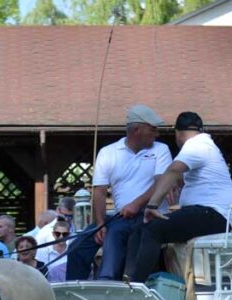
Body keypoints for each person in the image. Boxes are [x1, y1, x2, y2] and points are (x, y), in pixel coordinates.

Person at [66, 104, 173, 281]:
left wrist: (136, 204)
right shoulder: (108, 153)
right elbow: (99, 192)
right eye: (153, 129)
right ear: (137, 129)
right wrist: (100, 224)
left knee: (115, 235)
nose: (157, 134)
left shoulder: (161, 150)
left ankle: (106, 281)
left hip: (148, 216)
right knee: (78, 246)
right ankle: (72, 294)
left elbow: (161, 183)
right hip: (119, 216)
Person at [125, 112, 232, 283]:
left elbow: (173, 170)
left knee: (154, 228)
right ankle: (133, 279)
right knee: (140, 228)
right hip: (207, 213)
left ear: (178, 132)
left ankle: (137, 285)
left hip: (213, 214)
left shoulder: (197, 145)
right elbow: (181, 178)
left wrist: (152, 206)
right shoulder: (206, 145)